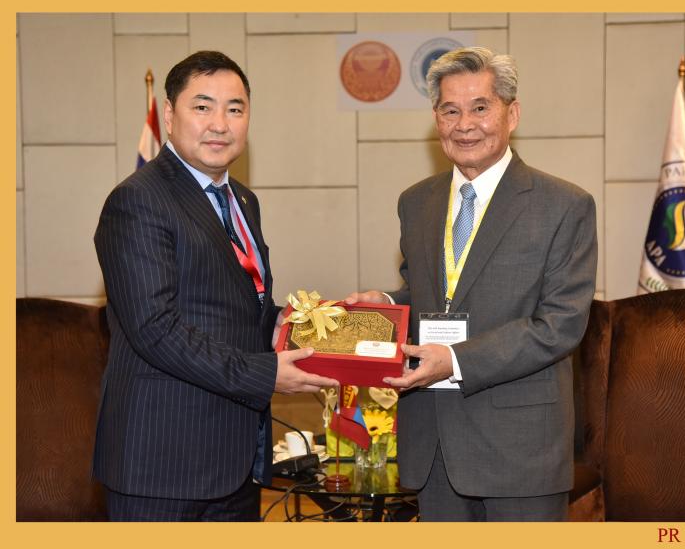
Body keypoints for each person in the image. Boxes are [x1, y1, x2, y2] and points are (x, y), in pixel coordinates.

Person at [346, 47, 597, 521]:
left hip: (519, 449)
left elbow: (560, 325)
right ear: (435, 120)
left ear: (511, 114)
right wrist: (384, 304)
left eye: (480, 107)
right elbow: (428, 297)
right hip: (434, 443)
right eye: (450, 110)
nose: (465, 125)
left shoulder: (564, 205)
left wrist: (456, 360)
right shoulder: (415, 203)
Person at [93, 51, 338, 521]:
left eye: (235, 109)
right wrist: (265, 375)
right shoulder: (138, 201)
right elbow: (155, 329)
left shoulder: (241, 199)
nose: (220, 124)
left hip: (234, 460)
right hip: (162, 465)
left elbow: (242, 305)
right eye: (202, 107)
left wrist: (299, 325)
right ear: (169, 115)